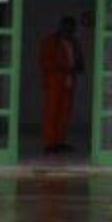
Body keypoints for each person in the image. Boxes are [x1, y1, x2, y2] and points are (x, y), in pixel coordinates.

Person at [38, 15, 84, 153]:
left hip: (69, 81)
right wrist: (63, 68)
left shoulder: (74, 43)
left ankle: (60, 141)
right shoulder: (51, 41)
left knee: (65, 113)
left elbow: (80, 60)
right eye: (67, 26)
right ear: (61, 26)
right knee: (51, 112)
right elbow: (44, 61)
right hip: (54, 81)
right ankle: (50, 143)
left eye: (72, 27)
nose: (70, 29)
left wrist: (78, 67)